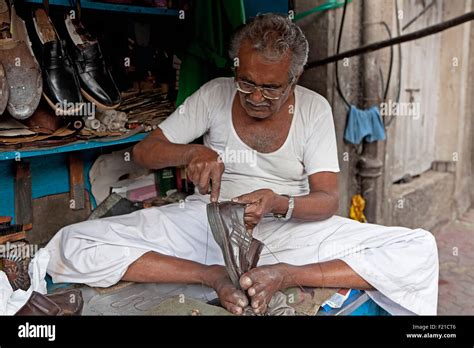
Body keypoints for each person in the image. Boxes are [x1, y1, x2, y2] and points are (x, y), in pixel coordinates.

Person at [46, 14, 438, 315]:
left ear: (295, 77)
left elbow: (326, 199)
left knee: (417, 248)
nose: (256, 97)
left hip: (287, 233)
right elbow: (146, 150)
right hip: (206, 222)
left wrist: (277, 203)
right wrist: (190, 154)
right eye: (246, 82)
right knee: (72, 243)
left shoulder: (314, 109)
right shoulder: (215, 94)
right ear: (236, 67)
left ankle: (282, 274)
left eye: (271, 88)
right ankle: (212, 277)